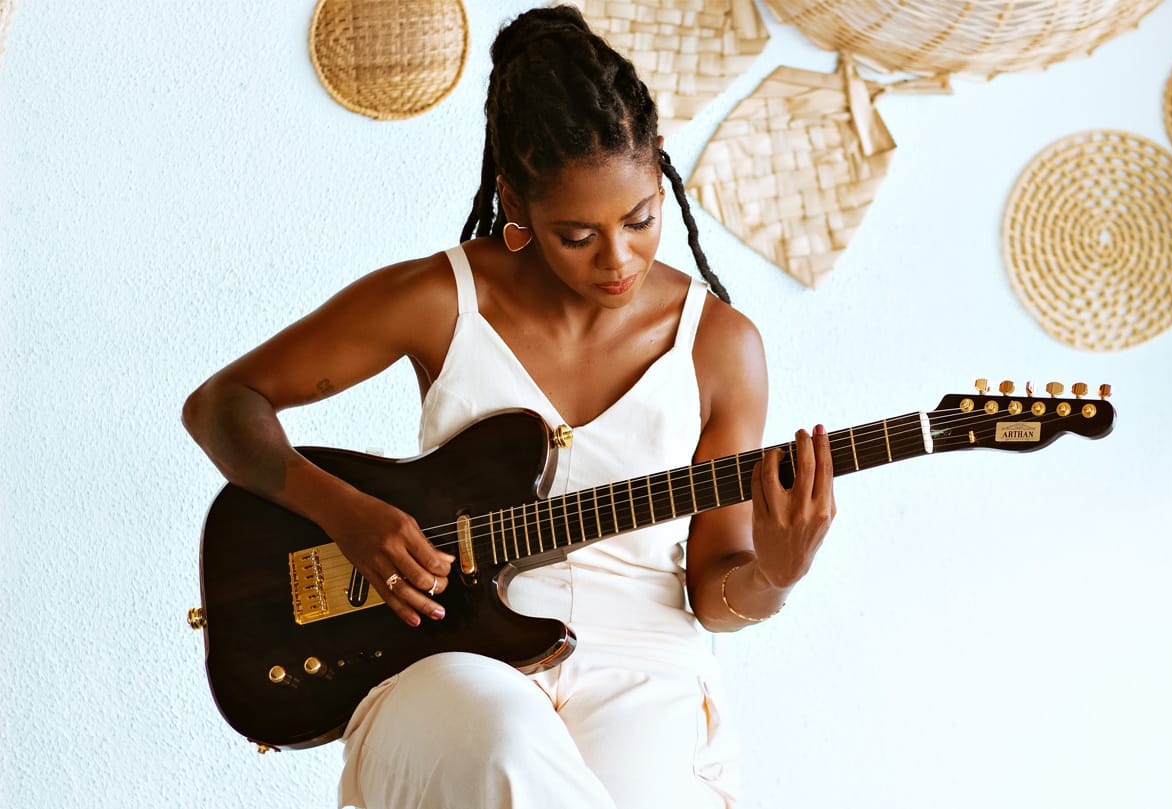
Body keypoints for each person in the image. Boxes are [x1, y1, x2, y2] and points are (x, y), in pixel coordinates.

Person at [181, 5, 836, 808]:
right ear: (516, 204)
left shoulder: (721, 346)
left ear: (660, 165)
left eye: (641, 218)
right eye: (577, 235)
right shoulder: (438, 300)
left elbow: (714, 592)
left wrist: (775, 572)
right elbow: (222, 406)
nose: (619, 258)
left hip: (646, 668)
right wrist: (346, 513)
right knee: (503, 746)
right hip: (455, 659)